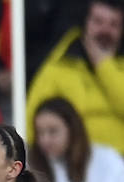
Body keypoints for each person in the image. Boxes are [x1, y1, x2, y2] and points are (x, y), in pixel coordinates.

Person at [27, 0, 124, 155]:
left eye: (114, 25)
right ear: (84, 23)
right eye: (98, 22)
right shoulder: (61, 65)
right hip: (74, 165)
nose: (105, 30)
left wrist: (104, 67)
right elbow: (33, 118)